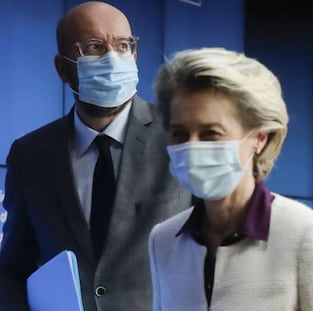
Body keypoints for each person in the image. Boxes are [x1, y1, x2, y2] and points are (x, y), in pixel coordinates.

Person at [0, 2, 191, 311]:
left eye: (123, 45)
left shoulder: (181, 136)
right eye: (93, 47)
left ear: (135, 56)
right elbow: (11, 268)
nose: (112, 58)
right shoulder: (30, 155)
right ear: (62, 68)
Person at [148, 47, 313, 311]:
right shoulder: (164, 240)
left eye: (211, 133)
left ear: (259, 138)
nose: (192, 146)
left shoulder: (307, 235)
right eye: (180, 133)